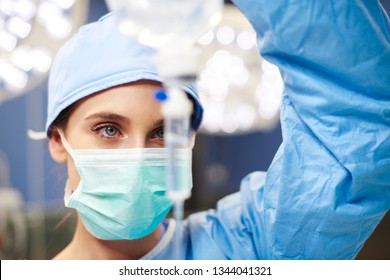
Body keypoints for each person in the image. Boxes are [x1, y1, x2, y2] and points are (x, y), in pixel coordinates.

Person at [47, 0, 389, 259]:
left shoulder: (248, 247)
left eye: (164, 133)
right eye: (108, 129)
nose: (138, 158)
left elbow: (357, 125)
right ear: (58, 140)